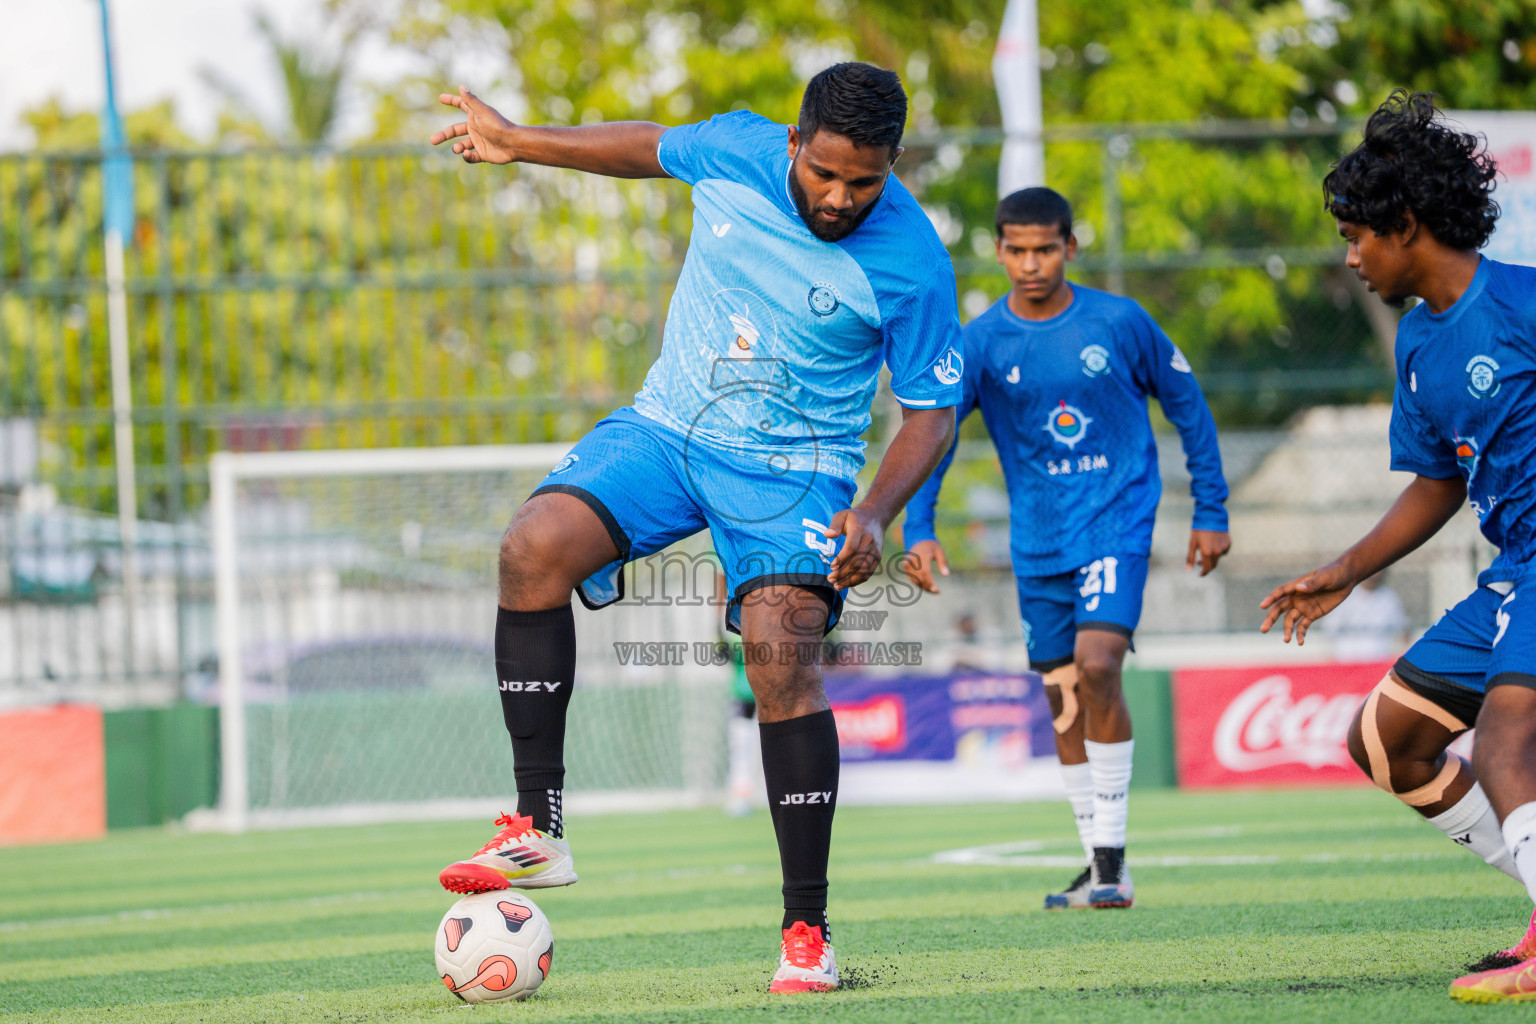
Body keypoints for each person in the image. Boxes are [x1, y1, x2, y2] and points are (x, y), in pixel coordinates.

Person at [428, 62, 963, 993]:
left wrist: (875, 511)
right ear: (793, 144)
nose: (839, 197)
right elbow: (645, 147)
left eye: (863, 181)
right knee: (531, 547)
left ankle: (807, 931)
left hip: (795, 470)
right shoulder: (738, 149)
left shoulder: (913, 262)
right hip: (668, 430)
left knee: (778, 650)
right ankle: (538, 827)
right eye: (824, 172)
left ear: (893, 164)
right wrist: (519, 141)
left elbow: (930, 411)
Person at [1257, 90, 1536, 1003]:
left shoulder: (1524, 304)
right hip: (1515, 573)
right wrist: (1343, 570)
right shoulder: (1418, 342)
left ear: (1406, 225)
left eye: (1356, 236)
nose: (1349, 257)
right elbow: (1438, 484)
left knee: (1504, 742)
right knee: (1386, 740)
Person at [903, 186, 1230, 911]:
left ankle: (1110, 863)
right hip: (1039, 542)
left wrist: (1212, 506)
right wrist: (918, 525)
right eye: (1016, 250)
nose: (1030, 264)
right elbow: (936, 435)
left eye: (1045, 248)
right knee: (1061, 698)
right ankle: (1099, 863)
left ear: (1070, 247)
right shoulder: (982, 342)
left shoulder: (1120, 321)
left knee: (1098, 664)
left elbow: (1190, 408)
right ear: (998, 250)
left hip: (1116, 521)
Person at [1313, 572, 1409, 662]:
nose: (1375, 575)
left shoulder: (1389, 597)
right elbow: (1329, 629)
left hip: (1379, 659)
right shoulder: (1345, 596)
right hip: (1348, 660)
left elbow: (1403, 630)